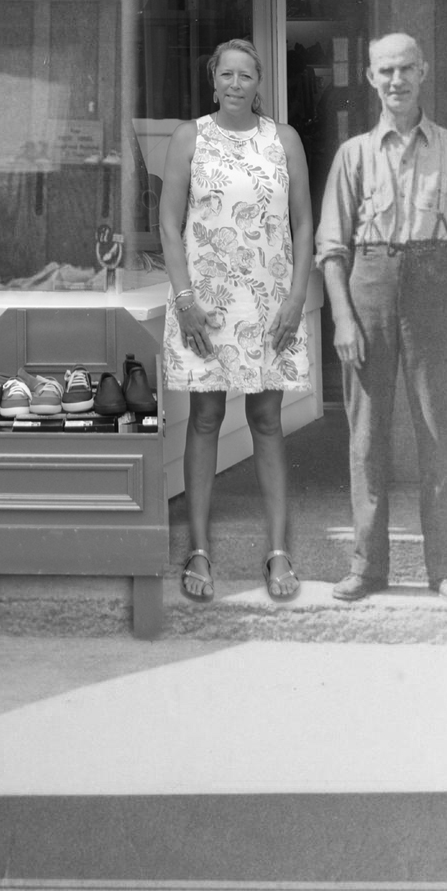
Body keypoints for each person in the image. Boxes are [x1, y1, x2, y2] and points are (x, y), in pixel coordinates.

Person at [316, 32, 447, 607]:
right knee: (366, 435)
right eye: (384, 71)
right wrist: (344, 320)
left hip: (434, 282)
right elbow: (331, 248)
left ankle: (444, 567)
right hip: (369, 284)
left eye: (405, 69)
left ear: (423, 72)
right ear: (369, 77)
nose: (395, 81)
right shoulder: (353, 155)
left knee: (440, 431)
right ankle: (367, 568)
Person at [159, 39, 313, 604]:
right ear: (213, 79)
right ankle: (198, 549)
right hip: (205, 304)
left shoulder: (284, 140)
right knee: (205, 415)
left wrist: (298, 296)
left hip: (270, 303)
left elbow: (303, 224)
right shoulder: (189, 138)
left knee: (268, 418)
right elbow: (169, 225)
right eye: (226, 73)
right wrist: (184, 300)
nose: (235, 83)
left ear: (259, 81)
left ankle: (278, 552)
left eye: (245, 75)